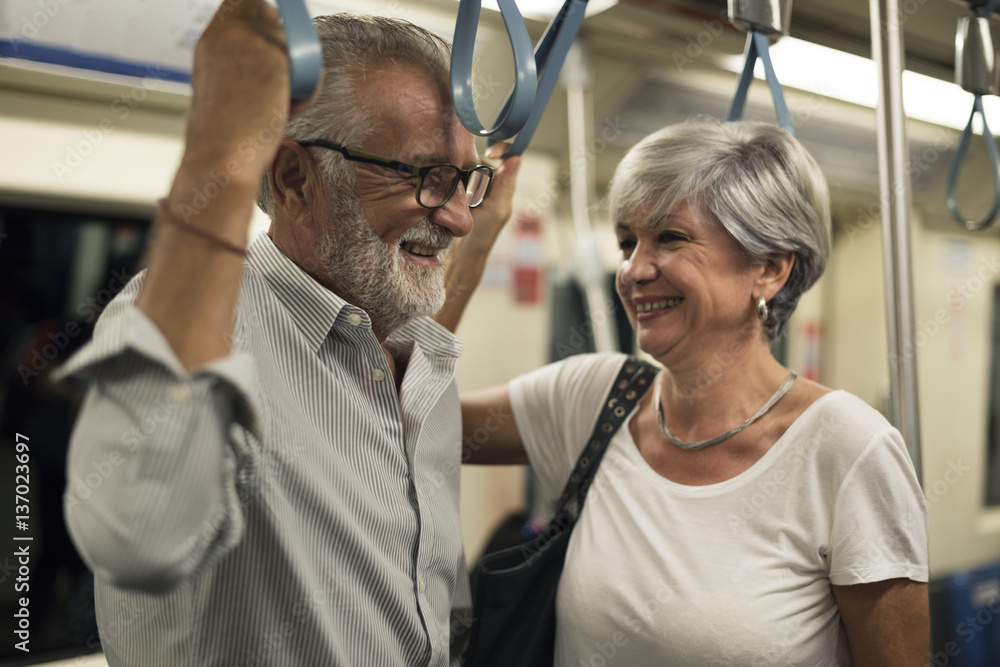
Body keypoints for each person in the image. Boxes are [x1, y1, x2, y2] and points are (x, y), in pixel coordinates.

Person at [58, 1, 520, 665]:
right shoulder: (200, 328)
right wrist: (221, 146)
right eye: (425, 175)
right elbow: (138, 539)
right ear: (294, 176)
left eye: (465, 181)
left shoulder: (416, 353)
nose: (460, 219)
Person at [460, 119, 929, 666]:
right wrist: (474, 242)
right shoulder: (593, 399)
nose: (633, 270)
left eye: (671, 238)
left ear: (771, 269)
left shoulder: (848, 449)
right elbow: (397, 418)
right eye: (627, 242)